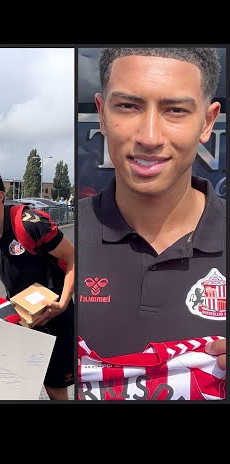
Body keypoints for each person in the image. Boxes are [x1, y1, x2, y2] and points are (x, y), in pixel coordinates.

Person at [78, 48, 226, 391]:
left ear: (207, 122)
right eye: (128, 106)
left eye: (175, 110)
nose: (149, 137)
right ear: (101, 113)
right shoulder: (68, 240)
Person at [0, 168, 75, 400]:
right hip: (21, 318)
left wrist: (64, 303)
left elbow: (73, 257)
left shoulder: (30, 224)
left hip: (56, 315)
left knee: (55, 389)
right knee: (15, 386)